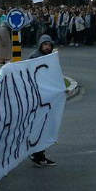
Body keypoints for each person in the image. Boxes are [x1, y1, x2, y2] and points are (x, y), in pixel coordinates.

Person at [28, 35, 58, 166]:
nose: (47, 47)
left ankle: (39, 154)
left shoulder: (50, 57)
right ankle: (37, 155)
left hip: (46, 97)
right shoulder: (35, 57)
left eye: (49, 45)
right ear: (40, 44)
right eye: (45, 44)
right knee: (40, 127)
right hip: (37, 98)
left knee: (44, 127)